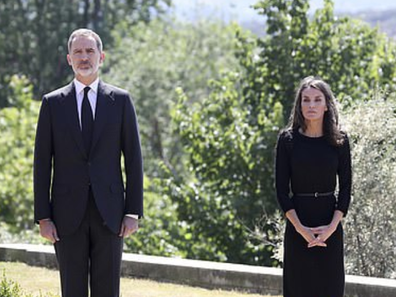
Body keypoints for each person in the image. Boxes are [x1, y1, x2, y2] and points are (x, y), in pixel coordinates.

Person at [34, 28, 143, 297]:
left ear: (101, 57)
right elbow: (41, 164)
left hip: (112, 213)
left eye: (90, 51)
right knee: (72, 289)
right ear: (69, 59)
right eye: (78, 52)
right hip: (65, 214)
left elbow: (134, 158)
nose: (84, 57)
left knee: (107, 290)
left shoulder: (120, 101)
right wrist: (43, 216)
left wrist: (133, 211)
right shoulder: (52, 104)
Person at [275, 76, 352, 297]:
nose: (311, 105)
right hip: (298, 226)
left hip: (330, 227)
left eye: (317, 100)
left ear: (326, 105)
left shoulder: (340, 141)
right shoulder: (287, 141)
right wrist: (301, 229)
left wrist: (330, 228)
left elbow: (346, 189)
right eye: (306, 100)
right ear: (299, 105)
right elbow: (281, 191)